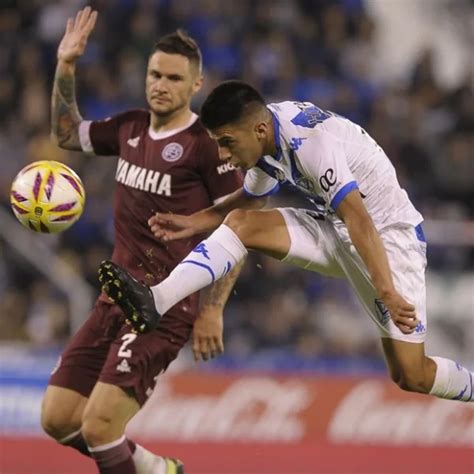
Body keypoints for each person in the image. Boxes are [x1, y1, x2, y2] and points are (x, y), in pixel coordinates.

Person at [100, 80, 473, 404]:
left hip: (388, 241)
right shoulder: (266, 140)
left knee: (412, 375)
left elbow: (359, 218)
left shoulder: (311, 145)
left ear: (258, 130)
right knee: (243, 223)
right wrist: (192, 222)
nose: (224, 156)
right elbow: (250, 200)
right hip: (335, 229)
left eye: (227, 143)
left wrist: (387, 290)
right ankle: (158, 299)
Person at [41, 8, 244, 474]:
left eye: (174, 77)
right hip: (113, 297)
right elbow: (67, 133)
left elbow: (237, 227)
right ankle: (156, 469)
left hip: (163, 309)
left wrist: (212, 308)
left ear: (196, 85)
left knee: (98, 428)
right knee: (57, 418)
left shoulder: (205, 146)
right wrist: (66, 65)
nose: (161, 84)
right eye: (155, 74)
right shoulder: (130, 127)